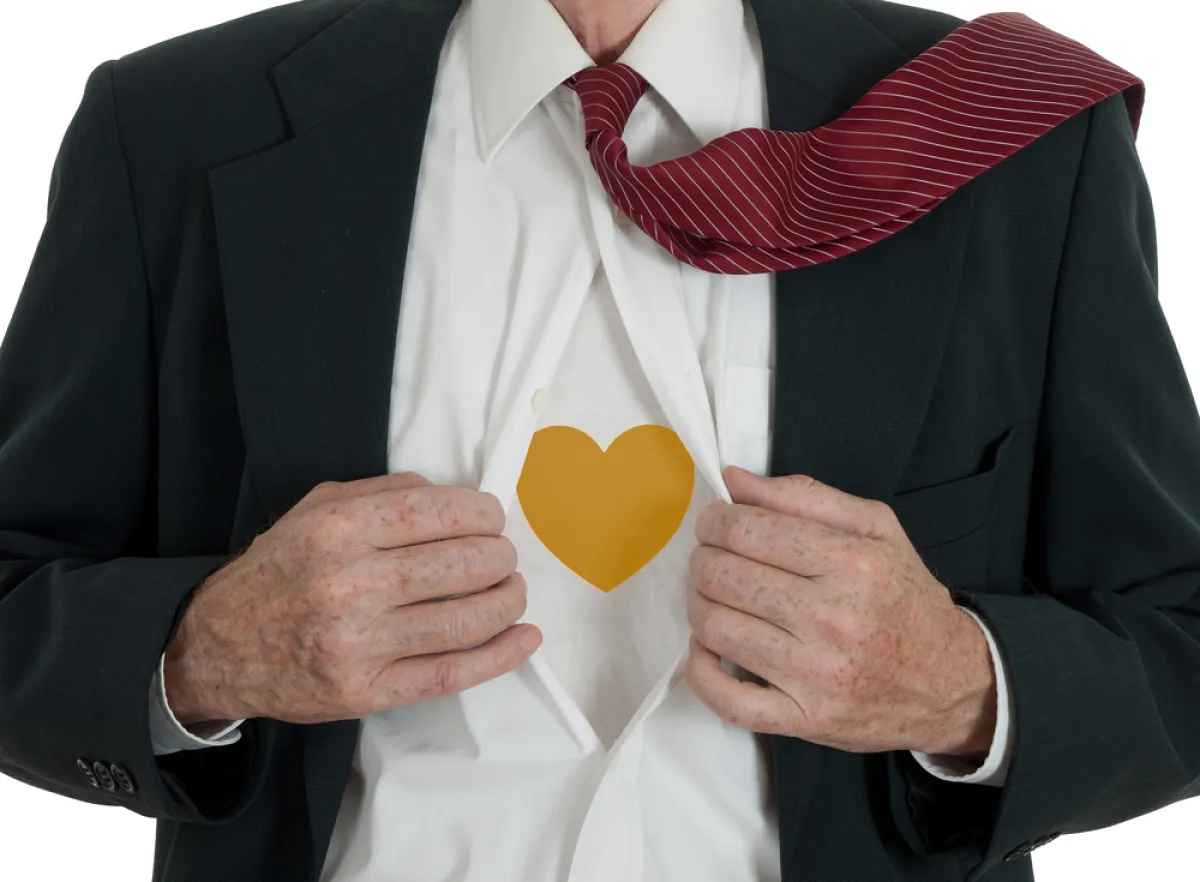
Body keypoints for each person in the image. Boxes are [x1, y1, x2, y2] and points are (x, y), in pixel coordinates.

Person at [0, 0, 1196, 880]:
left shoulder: (1010, 140)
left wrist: (964, 687)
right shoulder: (174, 127)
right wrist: (199, 656)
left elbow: (1178, 638)